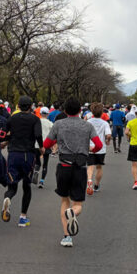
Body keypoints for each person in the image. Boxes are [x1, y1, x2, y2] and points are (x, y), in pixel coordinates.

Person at [42, 99, 103, 247]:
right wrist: (90, 150)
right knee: (78, 203)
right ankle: (74, 213)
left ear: (65, 111)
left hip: (63, 166)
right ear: (80, 111)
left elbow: (46, 144)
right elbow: (99, 145)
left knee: (64, 200)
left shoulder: (58, 124)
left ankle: (67, 237)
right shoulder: (87, 126)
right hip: (80, 167)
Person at [2, 96, 42, 227]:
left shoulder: (12, 118)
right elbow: (37, 135)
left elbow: (3, 133)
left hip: (13, 153)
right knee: (27, 185)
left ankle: (8, 197)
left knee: (12, 184)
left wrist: (7, 140)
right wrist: (41, 147)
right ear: (31, 107)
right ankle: (23, 217)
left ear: (18, 106)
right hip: (28, 154)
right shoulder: (35, 119)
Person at [86, 103, 112, 195]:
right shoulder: (104, 123)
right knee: (99, 167)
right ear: (101, 112)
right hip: (100, 148)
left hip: (89, 147)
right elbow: (108, 134)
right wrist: (108, 140)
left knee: (90, 166)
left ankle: (89, 180)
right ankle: (96, 185)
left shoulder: (88, 122)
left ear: (92, 111)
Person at [36, 107, 53, 189]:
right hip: (46, 145)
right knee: (45, 163)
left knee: (36, 160)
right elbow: (53, 136)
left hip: (36, 145)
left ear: (40, 113)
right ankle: (42, 181)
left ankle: (36, 169)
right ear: (47, 114)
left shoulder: (36, 122)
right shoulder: (50, 123)